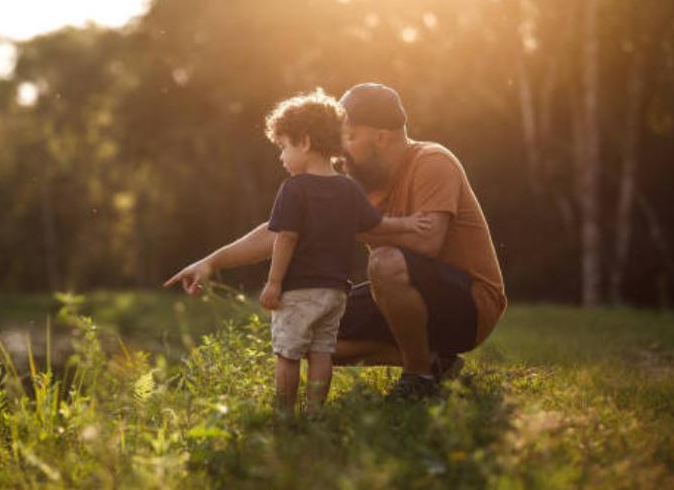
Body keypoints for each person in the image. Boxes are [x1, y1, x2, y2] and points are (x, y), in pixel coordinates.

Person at [165, 83, 506, 402]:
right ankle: (436, 364)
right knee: (313, 331)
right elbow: (282, 230)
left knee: (384, 262)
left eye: (350, 138)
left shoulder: (432, 161)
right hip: (401, 297)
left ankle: (418, 378)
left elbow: (430, 242)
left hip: (470, 305)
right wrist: (211, 262)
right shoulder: (358, 184)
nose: (340, 153)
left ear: (381, 137)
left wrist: (341, 227)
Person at [258, 90, 429, 414]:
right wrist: (409, 223)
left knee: (289, 353)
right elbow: (378, 224)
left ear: (305, 143)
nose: (282, 157)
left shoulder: (294, 189)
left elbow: (286, 238)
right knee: (323, 352)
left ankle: (284, 414)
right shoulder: (348, 188)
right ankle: (315, 412)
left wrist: (274, 282)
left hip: (299, 290)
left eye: (284, 147)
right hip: (335, 292)